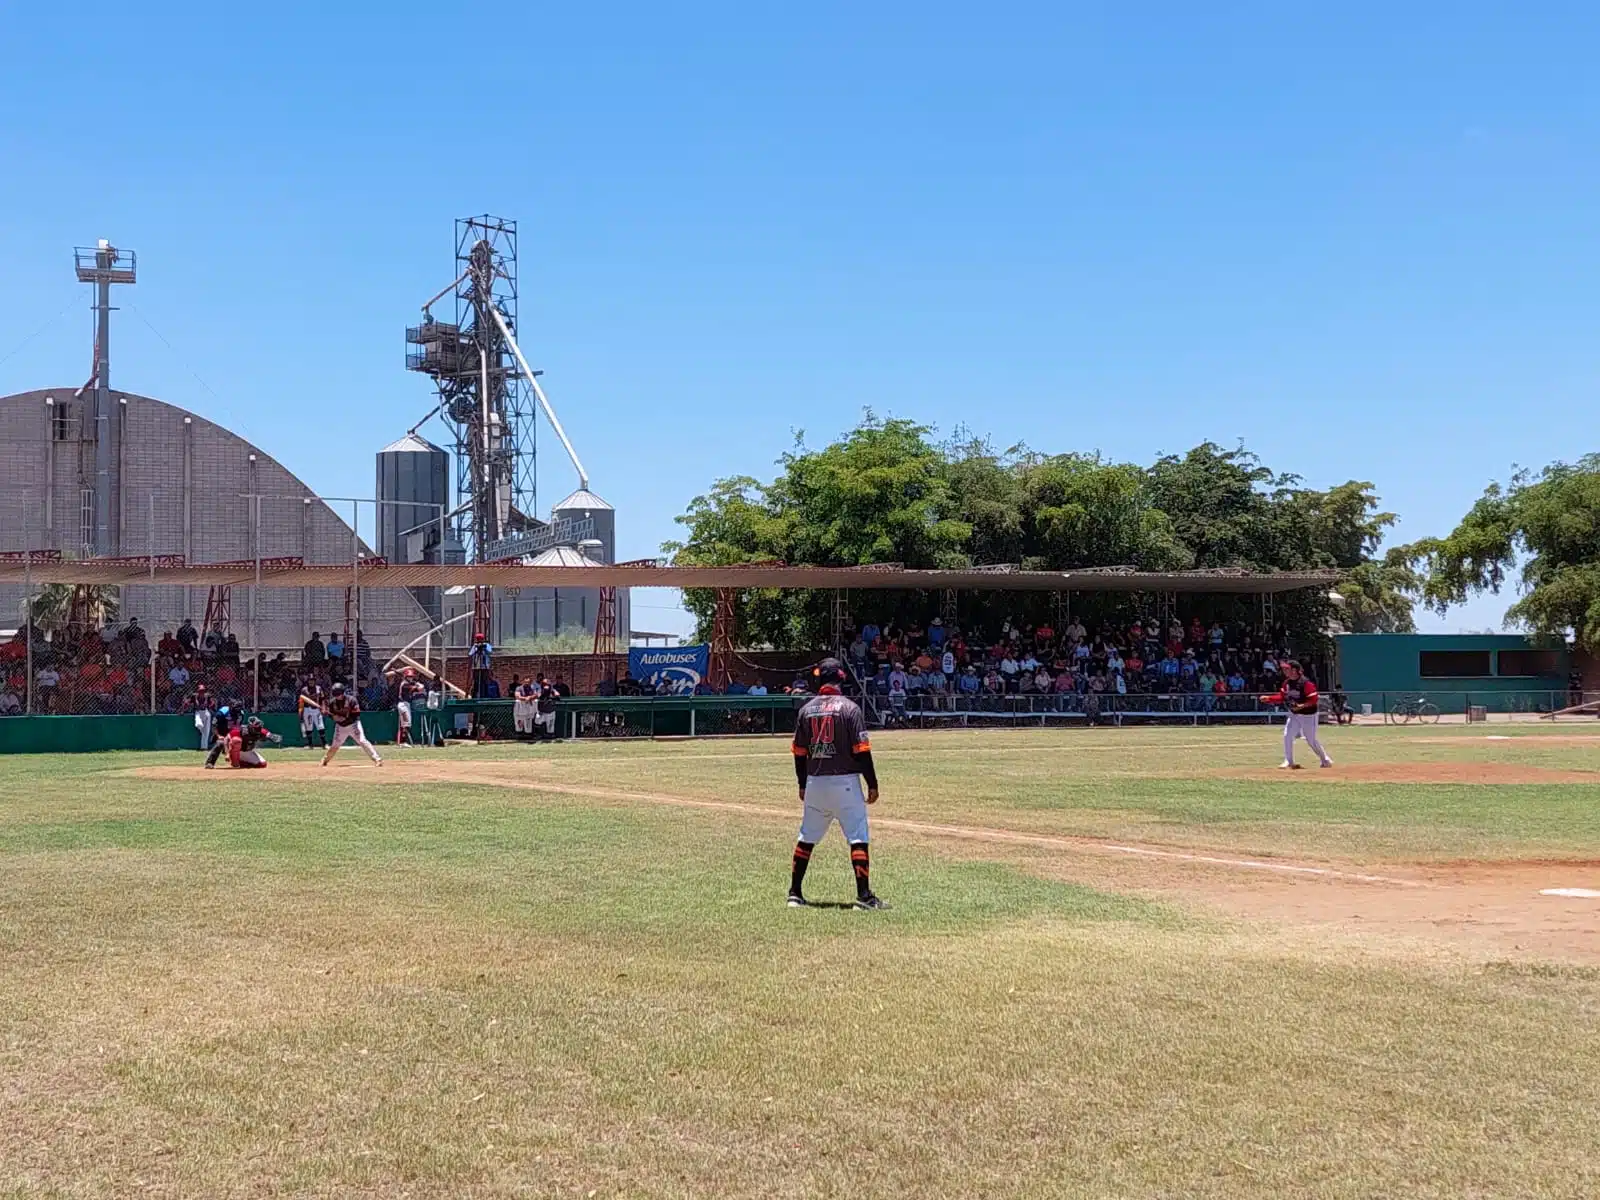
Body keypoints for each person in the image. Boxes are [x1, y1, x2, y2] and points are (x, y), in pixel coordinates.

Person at [788, 658, 885, 910]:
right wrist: (872, 783)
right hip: (845, 783)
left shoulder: (806, 710)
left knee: (807, 836)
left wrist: (801, 784)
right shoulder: (850, 709)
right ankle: (864, 896)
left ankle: (794, 894)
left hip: (815, 783)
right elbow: (862, 751)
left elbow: (799, 752)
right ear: (840, 679)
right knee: (857, 836)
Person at [1260, 660, 1332, 769]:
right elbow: (1283, 697)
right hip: (1295, 714)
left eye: (1287, 668)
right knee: (1287, 735)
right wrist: (1269, 698)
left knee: (1311, 740)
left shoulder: (1306, 683)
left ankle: (1325, 759)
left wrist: (1302, 706)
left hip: (1308, 715)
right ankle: (1289, 761)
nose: (1284, 670)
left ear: (1294, 670)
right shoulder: (1287, 683)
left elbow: (1313, 699)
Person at [321, 682, 382, 766]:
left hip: (354, 725)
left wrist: (344, 718)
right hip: (341, 727)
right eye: (335, 694)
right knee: (335, 745)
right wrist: (332, 717)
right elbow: (331, 714)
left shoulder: (351, 700)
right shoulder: (332, 703)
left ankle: (377, 759)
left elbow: (356, 714)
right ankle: (325, 760)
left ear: (343, 693)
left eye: (338, 694)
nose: (337, 696)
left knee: (362, 741)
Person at [396, 669, 425, 745]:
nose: (410, 678)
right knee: (406, 723)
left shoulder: (408, 683)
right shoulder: (405, 684)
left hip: (406, 704)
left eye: (411, 677)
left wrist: (416, 683)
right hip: (403, 705)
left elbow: (419, 688)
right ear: (405, 677)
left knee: (406, 723)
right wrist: (417, 684)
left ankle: (403, 742)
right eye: (409, 677)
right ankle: (403, 742)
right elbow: (420, 688)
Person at [204, 704, 238, 768]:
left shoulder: (240, 713)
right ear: (230, 707)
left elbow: (238, 725)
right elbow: (214, 725)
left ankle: (239, 762)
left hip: (232, 732)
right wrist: (218, 735)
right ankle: (209, 763)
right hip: (221, 732)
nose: (236, 712)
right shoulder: (221, 713)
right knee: (220, 743)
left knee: (237, 741)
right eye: (234, 710)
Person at [297, 682, 328, 748]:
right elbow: (301, 700)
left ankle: (324, 744)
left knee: (320, 726)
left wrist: (323, 707)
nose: (311, 682)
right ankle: (310, 744)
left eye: (312, 680)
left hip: (316, 709)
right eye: (310, 680)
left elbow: (322, 699)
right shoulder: (304, 690)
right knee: (309, 727)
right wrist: (300, 711)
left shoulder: (318, 688)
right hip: (307, 709)